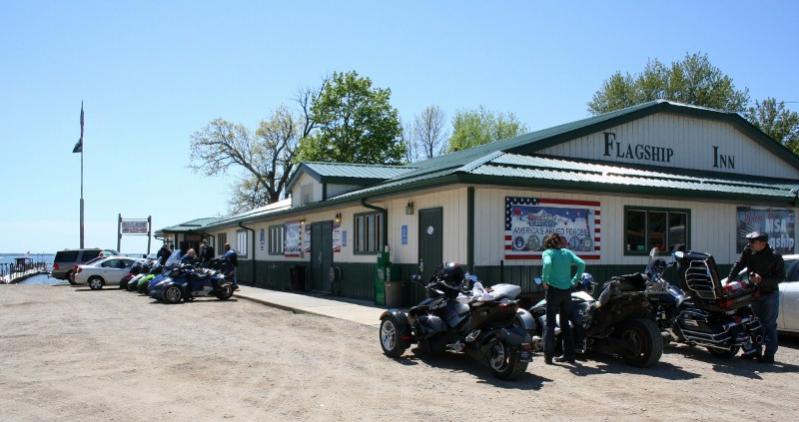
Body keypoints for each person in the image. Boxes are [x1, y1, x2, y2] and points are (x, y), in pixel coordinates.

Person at [728, 231, 784, 364]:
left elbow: (780, 277)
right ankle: (755, 351)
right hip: (753, 293)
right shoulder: (748, 251)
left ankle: (769, 355)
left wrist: (761, 280)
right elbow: (739, 264)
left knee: (769, 325)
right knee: (753, 323)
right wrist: (729, 280)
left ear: (763, 243)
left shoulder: (775, 256)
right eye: (749, 241)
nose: (749, 244)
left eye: (752, 242)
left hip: (770, 294)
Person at [542, 233, 585, 365]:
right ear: (559, 242)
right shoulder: (567, 252)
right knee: (565, 323)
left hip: (553, 291)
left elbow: (548, 264)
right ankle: (569, 355)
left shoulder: (547, 253)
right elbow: (582, 264)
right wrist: (574, 281)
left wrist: (545, 280)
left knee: (550, 324)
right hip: (567, 291)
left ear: (548, 243)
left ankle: (548, 356)